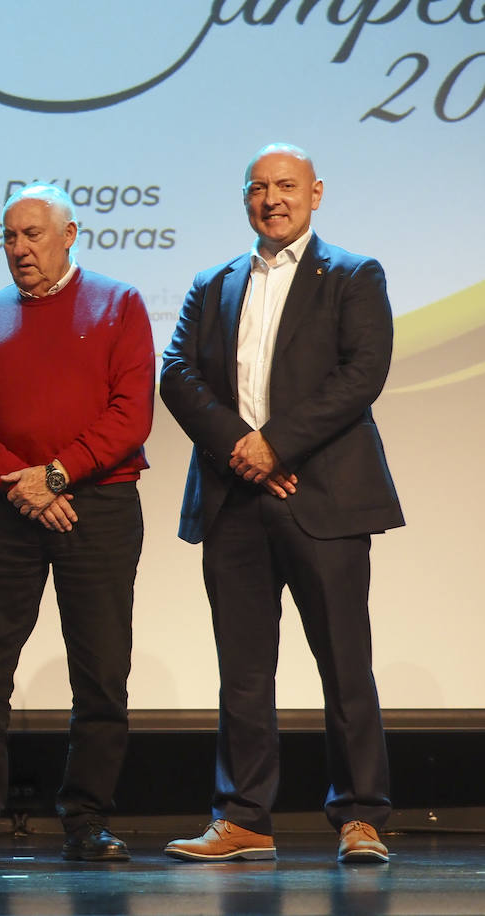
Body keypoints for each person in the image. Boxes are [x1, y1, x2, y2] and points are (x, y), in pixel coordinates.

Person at [160, 143, 403, 865]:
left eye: (287, 186)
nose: (272, 199)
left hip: (324, 498)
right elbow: (175, 373)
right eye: (259, 187)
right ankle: (245, 819)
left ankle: (360, 816)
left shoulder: (354, 274)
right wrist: (243, 447)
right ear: (245, 198)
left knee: (343, 662)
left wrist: (277, 446)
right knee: (243, 669)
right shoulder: (214, 281)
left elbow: (363, 373)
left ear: (316, 193)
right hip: (234, 501)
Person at [0, 184, 154, 865]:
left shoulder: (120, 304)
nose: (20, 248)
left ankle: (87, 819)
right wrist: (21, 484)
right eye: (9, 237)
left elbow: (130, 413)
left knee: (102, 673)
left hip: (99, 506)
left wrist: (53, 476)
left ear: (69, 234)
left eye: (32, 234)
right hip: (5, 510)